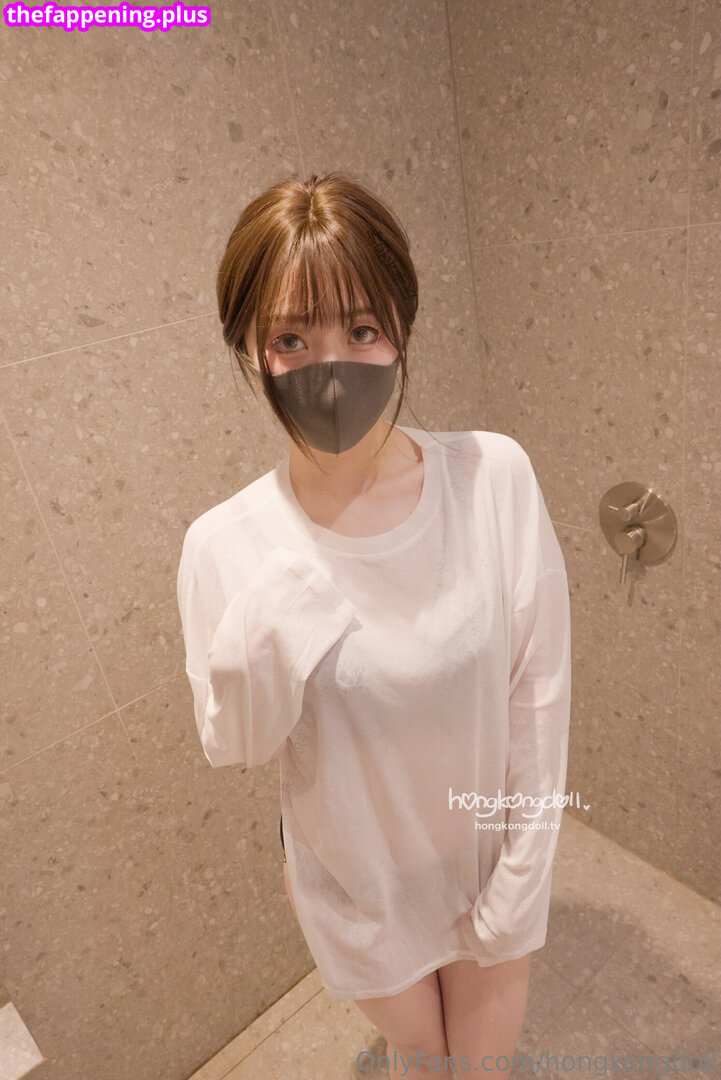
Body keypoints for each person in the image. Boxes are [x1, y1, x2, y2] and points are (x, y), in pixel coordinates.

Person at [176, 171, 572, 1077]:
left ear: (401, 326)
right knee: (418, 1058)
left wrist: (521, 878)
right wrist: (281, 599)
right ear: (249, 351)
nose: (332, 367)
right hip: (354, 886)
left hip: (484, 859)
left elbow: (537, 694)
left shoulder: (491, 477)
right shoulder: (223, 546)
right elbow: (237, 744)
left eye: (361, 329)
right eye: (291, 337)